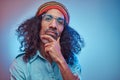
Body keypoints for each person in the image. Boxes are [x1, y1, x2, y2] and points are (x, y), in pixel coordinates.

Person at [9, 1, 84, 80]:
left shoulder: (72, 60)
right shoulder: (20, 64)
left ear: (64, 31)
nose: (53, 25)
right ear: (38, 25)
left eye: (60, 22)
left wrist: (60, 60)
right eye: (48, 19)